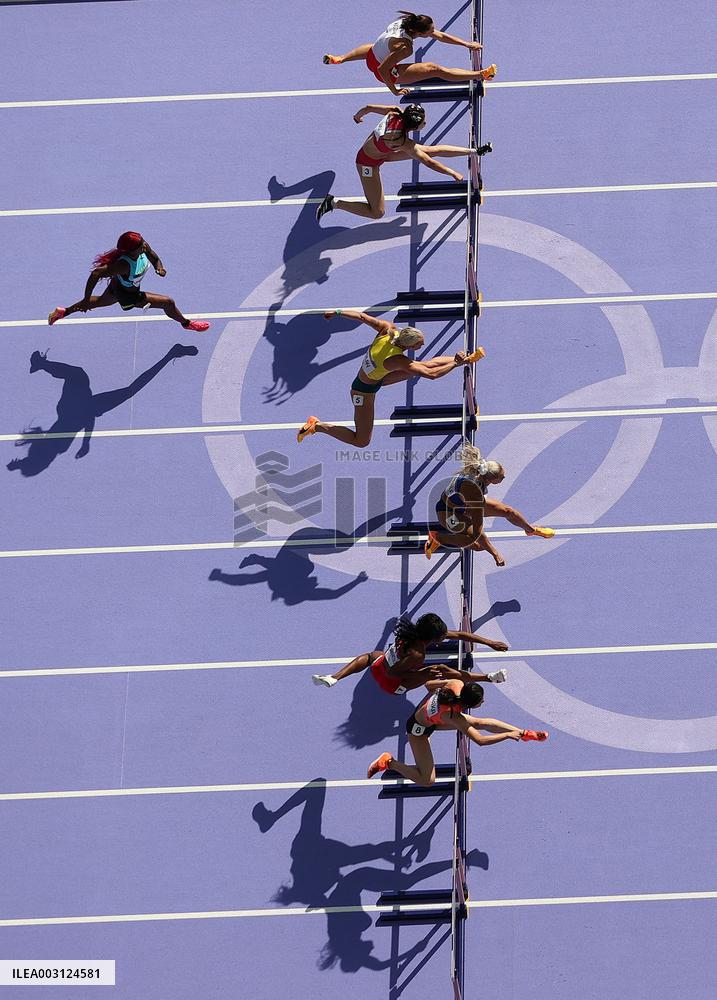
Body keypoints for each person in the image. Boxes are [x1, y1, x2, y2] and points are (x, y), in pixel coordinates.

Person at [297, 309, 484, 449]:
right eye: (420, 344)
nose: (422, 344)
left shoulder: (388, 330)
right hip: (363, 392)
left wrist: (337, 312)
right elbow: (431, 375)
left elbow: (362, 317)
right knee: (361, 441)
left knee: (420, 366)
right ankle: (317, 425)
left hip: (377, 379)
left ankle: (463, 359)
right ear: (407, 344)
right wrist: (453, 365)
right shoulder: (397, 359)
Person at [316, 103, 491, 223]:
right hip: (367, 164)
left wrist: (357, 116)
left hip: (381, 153)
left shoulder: (394, 111)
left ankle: (473, 151)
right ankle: (334, 202)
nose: (426, 122)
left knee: (430, 149)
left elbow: (368, 108)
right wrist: (451, 173)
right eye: (423, 122)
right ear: (413, 127)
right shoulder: (400, 141)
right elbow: (427, 162)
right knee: (377, 212)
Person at [367, 679, 548, 786]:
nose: (483, 702)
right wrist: (506, 736)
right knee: (427, 780)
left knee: (479, 722)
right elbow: (480, 741)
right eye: (480, 701)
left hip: (433, 719)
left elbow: (429, 684)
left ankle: (524, 733)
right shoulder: (454, 717)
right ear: (468, 704)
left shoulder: (456, 684)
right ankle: (389, 762)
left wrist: (433, 696)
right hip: (418, 730)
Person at [47, 231, 210, 331]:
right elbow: (96, 274)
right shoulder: (123, 265)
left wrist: (159, 267)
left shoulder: (142, 247)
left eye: (143, 242)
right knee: (168, 302)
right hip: (128, 295)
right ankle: (186, 323)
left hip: (117, 286)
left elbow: (152, 255)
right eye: (141, 246)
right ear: (131, 251)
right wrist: (85, 297)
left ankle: (63, 312)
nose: (144, 247)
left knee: (100, 301)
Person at [312, 611, 508, 692]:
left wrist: (490, 642)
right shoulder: (417, 654)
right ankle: (489, 678)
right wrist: (419, 673)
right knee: (438, 670)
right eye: (442, 637)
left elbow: (459, 635)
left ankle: (335, 677)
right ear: (432, 637)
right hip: (391, 684)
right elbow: (392, 673)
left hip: (380, 664)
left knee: (371, 656)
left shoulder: (413, 633)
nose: (445, 637)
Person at [425, 442, 555, 560]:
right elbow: (478, 532)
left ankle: (531, 530)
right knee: (478, 544)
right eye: (501, 477)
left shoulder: (482, 469)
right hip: (448, 512)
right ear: (491, 480)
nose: (504, 477)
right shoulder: (473, 491)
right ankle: (437, 538)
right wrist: (495, 554)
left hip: (465, 504)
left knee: (507, 511)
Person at [323, 10, 496, 95]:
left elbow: (440, 35)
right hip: (383, 71)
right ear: (418, 33)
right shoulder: (405, 47)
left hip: (371, 55)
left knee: (374, 45)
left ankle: (340, 59)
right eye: (429, 31)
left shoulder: (407, 22)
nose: (433, 31)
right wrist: (395, 90)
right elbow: (383, 70)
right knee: (434, 69)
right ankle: (481, 75)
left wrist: (467, 44)